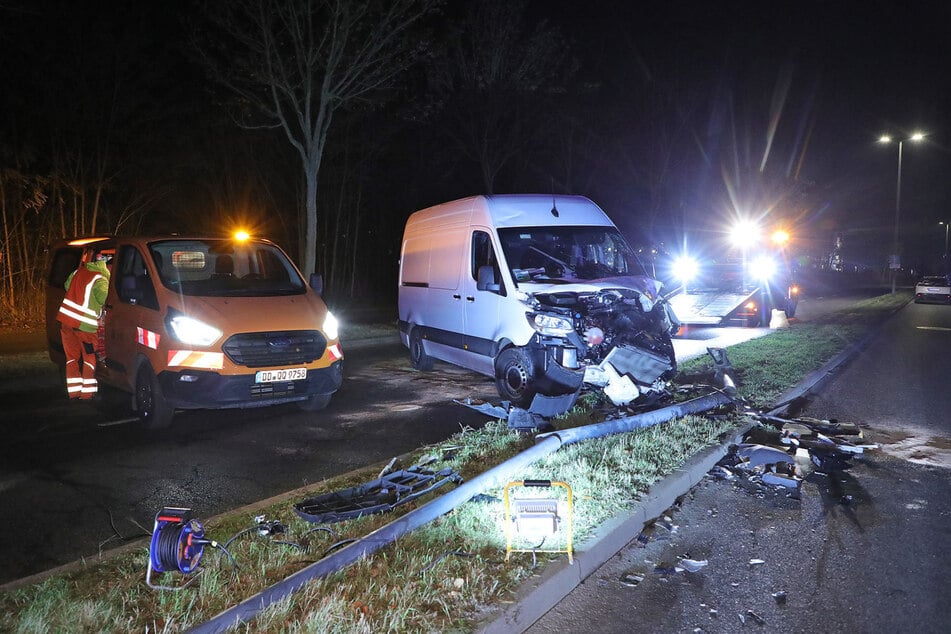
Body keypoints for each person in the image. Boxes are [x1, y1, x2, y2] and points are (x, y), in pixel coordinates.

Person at [57, 251, 111, 400]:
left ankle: (74, 392)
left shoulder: (79, 271)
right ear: (105, 266)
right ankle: (87, 394)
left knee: (72, 358)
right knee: (89, 358)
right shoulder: (101, 279)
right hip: (84, 326)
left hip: (66, 322)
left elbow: (67, 285)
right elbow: (105, 299)